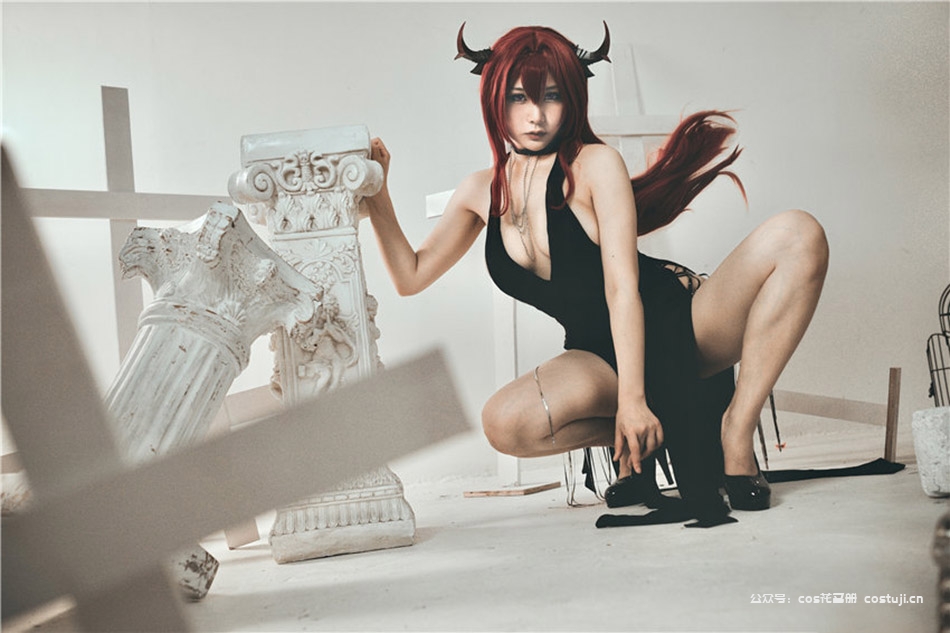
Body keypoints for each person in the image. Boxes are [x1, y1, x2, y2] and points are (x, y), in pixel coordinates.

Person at [364, 24, 829, 526]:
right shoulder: (480, 191)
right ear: (494, 98)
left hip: (682, 323)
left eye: (552, 96)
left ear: (573, 100)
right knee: (504, 424)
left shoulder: (595, 164)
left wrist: (634, 399)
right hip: (595, 352)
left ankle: (734, 429)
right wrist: (379, 194)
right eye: (519, 97)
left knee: (798, 233)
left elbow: (622, 290)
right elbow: (411, 276)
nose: (536, 115)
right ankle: (658, 429)